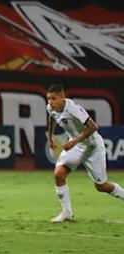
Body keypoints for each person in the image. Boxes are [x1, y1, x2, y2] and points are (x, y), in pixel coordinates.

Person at [46, 84, 124, 223]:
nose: (50, 102)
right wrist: (50, 136)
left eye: (54, 98)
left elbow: (93, 126)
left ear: (63, 98)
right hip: (76, 146)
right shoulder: (51, 108)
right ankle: (67, 213)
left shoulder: (73, 109)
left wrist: (74, 142)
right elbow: (52, 117)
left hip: (92, 147)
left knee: (101, 186)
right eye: (48, 99)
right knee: (59, 174)